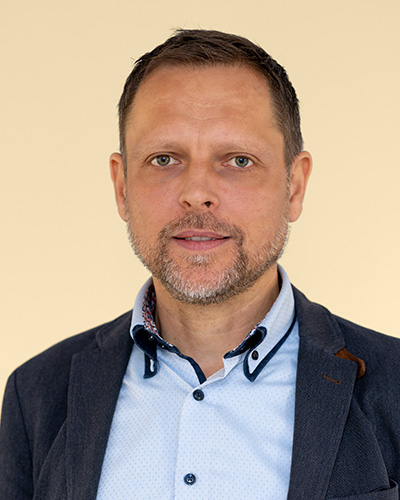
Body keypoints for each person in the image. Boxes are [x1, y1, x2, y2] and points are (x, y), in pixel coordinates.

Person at [0, 29, 399, 500]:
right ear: (122, 187)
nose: (196, 193)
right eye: (164, 159)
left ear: (294, 186)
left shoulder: (393, 386)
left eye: (238, 160)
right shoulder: (38, 394)